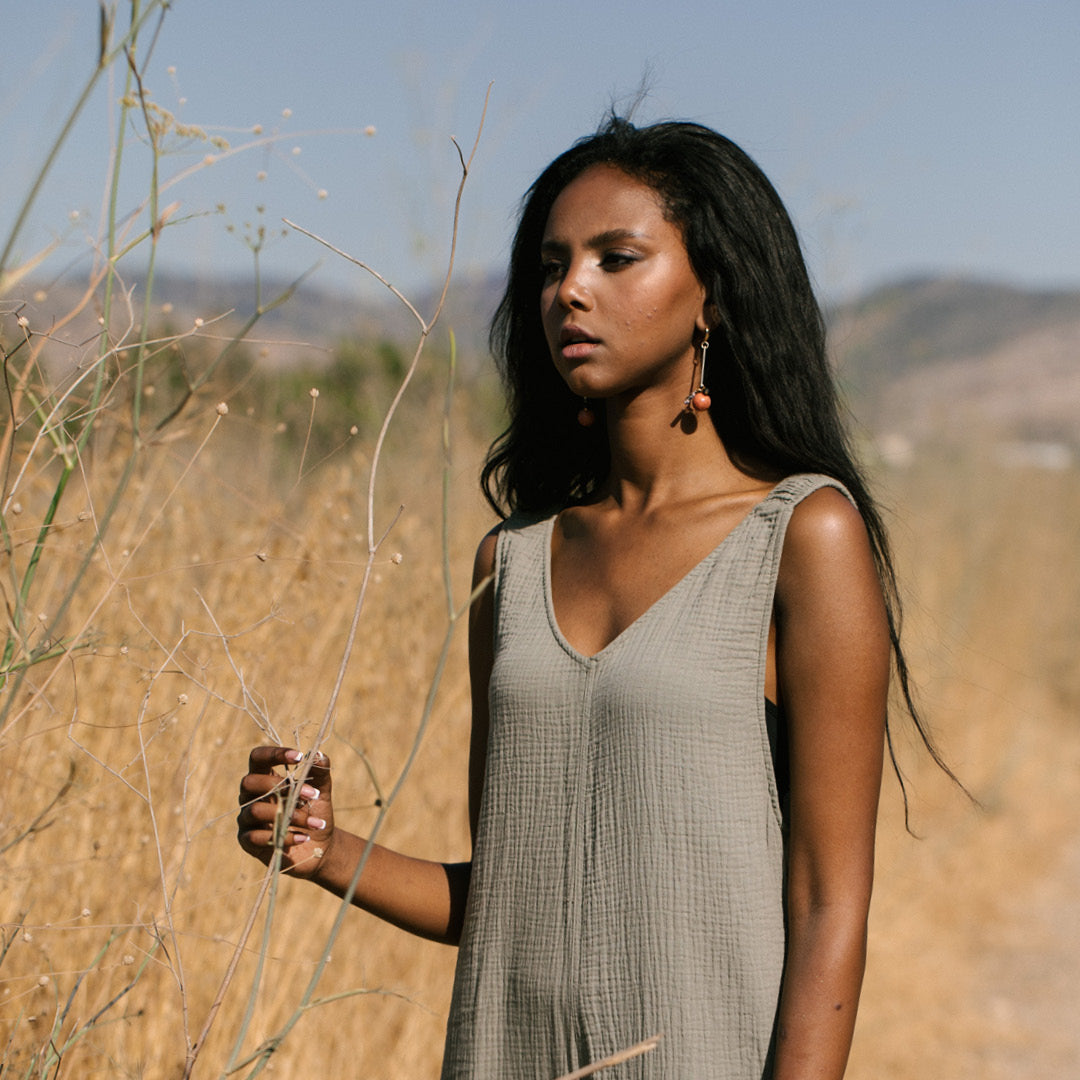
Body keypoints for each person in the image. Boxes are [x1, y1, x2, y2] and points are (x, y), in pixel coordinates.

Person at [237, 117, 937, 1079]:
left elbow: (828, 910)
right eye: (554, 264)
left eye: (618, 258)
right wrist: (323, 848)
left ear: (712, 299)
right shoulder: (510, 564)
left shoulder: (803, 537)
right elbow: (506, 897)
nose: (572, 290)